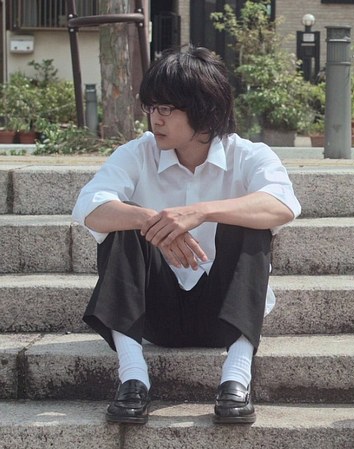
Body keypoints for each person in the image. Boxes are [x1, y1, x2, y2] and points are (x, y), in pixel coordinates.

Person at [72, 45, 301, 425]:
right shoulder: (138, 153)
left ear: (204, 109)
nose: (155, 119)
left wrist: (201, 212)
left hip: (225, 313)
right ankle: (132, 378)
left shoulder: (248, 155)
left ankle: (236, 378)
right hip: (154, 314)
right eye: (151, 107)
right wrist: (152, 221)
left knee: (249, 222)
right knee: (123, 222)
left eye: (166, 109)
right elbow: (88, 206)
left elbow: (282, 205)